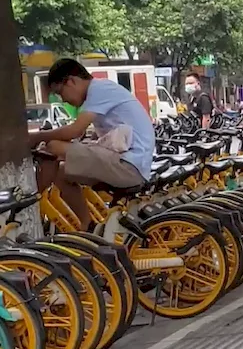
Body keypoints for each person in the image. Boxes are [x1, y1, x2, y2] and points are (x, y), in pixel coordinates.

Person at [30, 59, 154, 231]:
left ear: (71, 81)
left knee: (52, 148)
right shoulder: (101, 90)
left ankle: (30, 204)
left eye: (60, 93)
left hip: (129, 165)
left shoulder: (99, 90)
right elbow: (82, 134)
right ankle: (87, 225)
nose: (63, 99)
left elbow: (75, 130)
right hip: (131, 164)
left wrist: (35, 138)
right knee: (62, 173)